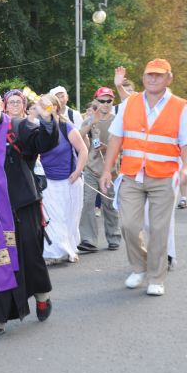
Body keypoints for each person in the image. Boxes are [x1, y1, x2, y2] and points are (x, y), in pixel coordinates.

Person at [0, 86, 59, 339]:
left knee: (30, 257)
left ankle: (42, 296)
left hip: (22, 207)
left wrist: (48, 118)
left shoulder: (19, 127)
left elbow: (45, 142)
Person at [100, 59, 187, 297]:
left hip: (164, 176)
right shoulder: (130, 103)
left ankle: (156, 277)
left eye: (159, 75)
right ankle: (139, 267)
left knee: (160, 229)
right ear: (143, 78)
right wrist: (106, 170)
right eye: (149, 75)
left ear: (169, 78)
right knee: (129, 225)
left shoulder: (179, 106)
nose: (153, 79)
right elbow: (115, 139)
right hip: (131, 174)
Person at [39, 94, 88, 264]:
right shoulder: (39, 126)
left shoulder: (65, 126)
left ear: (55, 107)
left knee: (70, 218)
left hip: (70, 180)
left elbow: (82, 150)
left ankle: (69, 248)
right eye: (41, 105)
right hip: (48, 181)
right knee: (53, 219)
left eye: (47, 105)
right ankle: (54, 253)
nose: (43, 108)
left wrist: (77, 171)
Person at [78, 87, 121, 252]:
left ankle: (113, 237)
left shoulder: (117, 120)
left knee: (109, 205)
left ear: (112, 102)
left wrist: (109, 148)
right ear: (95, 101)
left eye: (108, 101)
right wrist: (90, 123)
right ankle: (89, 240)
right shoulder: (90, 119)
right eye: (102, 101)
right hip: (91, 169)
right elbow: (78, 136)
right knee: (87, 203)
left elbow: (123, 143)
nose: (105, 104)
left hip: (111, 171)